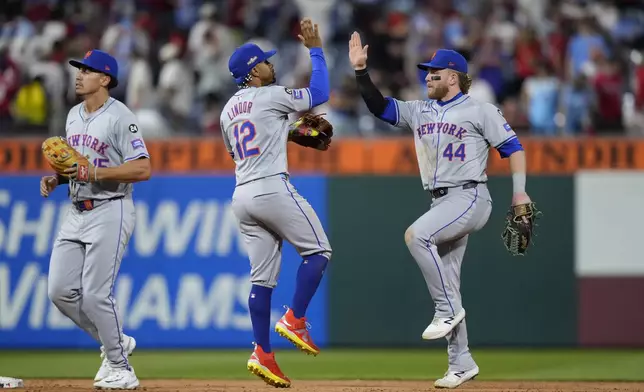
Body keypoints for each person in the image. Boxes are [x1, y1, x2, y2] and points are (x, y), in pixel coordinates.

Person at [349, 32, 532, 389]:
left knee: (416, 236)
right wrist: (360, 72)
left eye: (434, 71)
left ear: (453, 76)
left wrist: (520, 193)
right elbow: (379, 106)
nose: (427, 76)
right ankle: (461, 363)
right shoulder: (420, 110)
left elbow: (513, 148)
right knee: (448, 280)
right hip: (441, 201)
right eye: (426, 71)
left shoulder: (480, 109)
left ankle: (446, 311)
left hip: (470, 196)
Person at [220, 18, 332, 389]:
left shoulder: (226, 112)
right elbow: (320, 91)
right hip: (270, 187)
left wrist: (287, 133)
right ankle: (295, 319)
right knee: (318, 252)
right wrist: (315, 49)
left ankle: (262, 353)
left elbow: (244, 144)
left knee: (261, 279)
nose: (270, 64)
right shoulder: (272, 94)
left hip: (242, 195)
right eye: (264, 61)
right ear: (254, 72)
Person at [40, 49, 151, 390]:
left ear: (105, 79)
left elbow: (143, 168)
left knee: (95, 294)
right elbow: (77, 165)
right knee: (59, 291)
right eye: (78, 69)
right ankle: (116, 341)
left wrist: (96, 171)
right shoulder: (73, 115)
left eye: (86, 70)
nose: (78, 75)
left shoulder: (121, 117)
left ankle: (122, 367)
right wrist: (58, 179)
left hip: (111, 207)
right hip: (76, 210)